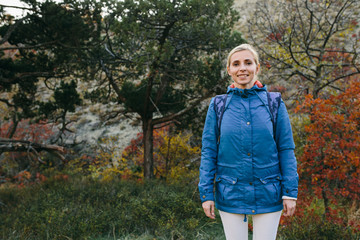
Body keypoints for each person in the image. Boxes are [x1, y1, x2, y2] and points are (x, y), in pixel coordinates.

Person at [198, 44, 298, 240]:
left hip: (269, 192)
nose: (242, 68)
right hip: (230, 192)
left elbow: (286, 149)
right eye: (236, 64)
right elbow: (209, 151)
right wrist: (206, 194)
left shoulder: (274, 103)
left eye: (248, 62)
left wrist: (290, 192)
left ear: (257, 67)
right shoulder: (218, 105)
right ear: (229, 70)